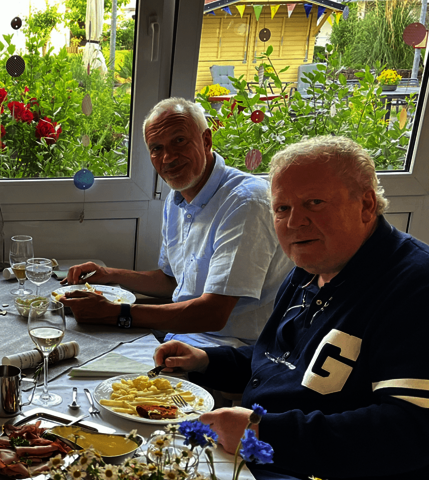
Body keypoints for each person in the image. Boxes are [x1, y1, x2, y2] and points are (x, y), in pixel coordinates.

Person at [154, 136, 429, 479]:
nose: (294, 222)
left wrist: (263, 432)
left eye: (314, 202)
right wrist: (207, 360)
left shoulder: (414, 285)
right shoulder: (309, 269)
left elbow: (411, 430)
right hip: (261, 452)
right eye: (282, 208)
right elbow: (284, 360)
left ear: (366, 205)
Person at [61, 97, 292, 347]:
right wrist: (108, 274)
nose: (168, 157)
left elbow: (213, 313)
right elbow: (171, 281)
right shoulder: (178, 197)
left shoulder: (246, 203)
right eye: (156, 148)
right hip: (181, 334)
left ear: (206, 140)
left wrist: (117, 314)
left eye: (179, 141)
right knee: (69, 338)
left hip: (230, 349)